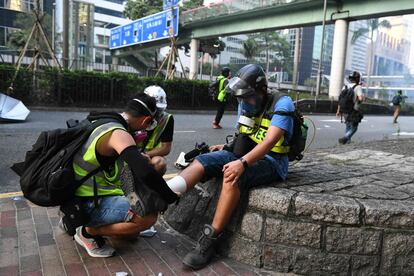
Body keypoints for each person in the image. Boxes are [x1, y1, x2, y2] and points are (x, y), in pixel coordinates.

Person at [166, 64, 294, 269]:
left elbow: (270, 141)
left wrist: (242, 163)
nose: (243, 103)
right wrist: (226, 148)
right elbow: (243, 134)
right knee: (203, 161)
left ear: (262, 91)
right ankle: (164, 195)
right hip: (244, 154)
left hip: (273, 161)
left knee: (231, 176)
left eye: (247, 97)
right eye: (240, 98)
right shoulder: (246, 101)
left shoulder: (282, 103)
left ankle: (209, 241)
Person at [70, 94, 177, 258]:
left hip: (76, 195)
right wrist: (169, 197)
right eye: (148, 125)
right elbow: (145, 173)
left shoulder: (103, 120)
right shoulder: (118, 133)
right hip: (89, 201)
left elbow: (124, 172)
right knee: (147, 217)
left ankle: (82, 222)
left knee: (131, 233)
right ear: (145, 120)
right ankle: (88, 232)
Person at [134, 85, 174, 175]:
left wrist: (145, 155)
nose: (156, 113)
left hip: (149, 154)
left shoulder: (166, 119)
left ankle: (152, 186)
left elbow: (166, 148)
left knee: (159, 163)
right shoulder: (134, 115)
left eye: (159, 110)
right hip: (131, 152)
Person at [336, 71, 365, 144]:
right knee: (354, 128)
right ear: (358, 79)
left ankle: (347, 143)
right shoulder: (358, 87)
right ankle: (345, 138)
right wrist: (362, 97)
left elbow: (340, 100)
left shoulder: (345, 86)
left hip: (344, 110)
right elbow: (361, 99)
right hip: (353, 111)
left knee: (348, 126)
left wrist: (338, 111)